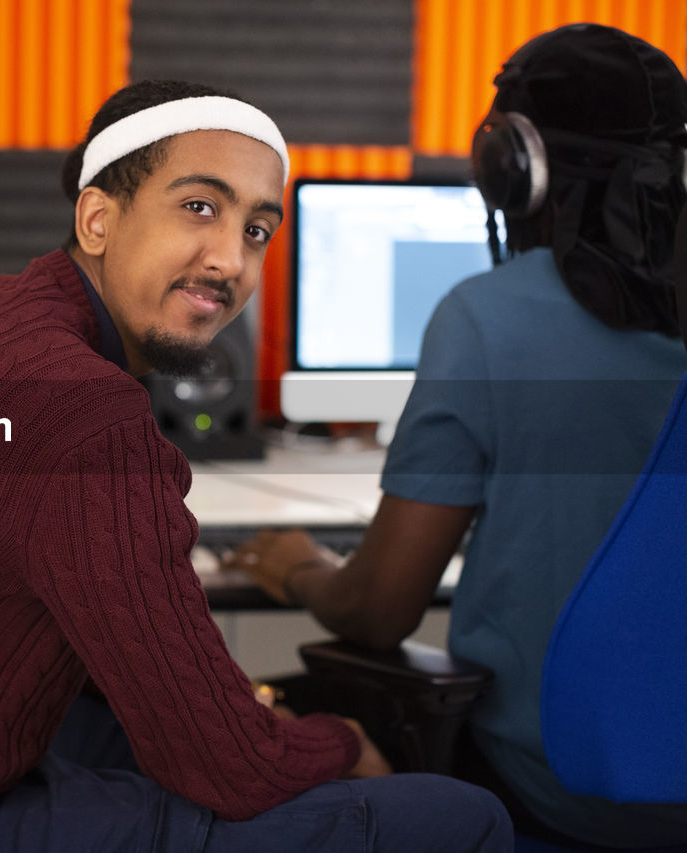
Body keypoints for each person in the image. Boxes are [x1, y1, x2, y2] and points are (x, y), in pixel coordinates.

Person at [0, 78, 511, 853]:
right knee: (460, 816)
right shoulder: (86, 414)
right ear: (97, 218)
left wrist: (219, 695)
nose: (230, 261)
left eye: (257, 231)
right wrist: (338, 741)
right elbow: (230, 769)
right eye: (199, 207)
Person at [227, 23, 687, 850]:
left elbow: (379, 610)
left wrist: (301, 566)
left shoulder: (489, 317)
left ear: (511, 167)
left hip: (555, 794)